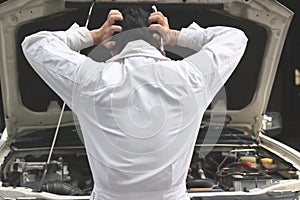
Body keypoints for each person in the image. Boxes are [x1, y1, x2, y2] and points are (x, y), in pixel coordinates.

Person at [22, 6, 247, 200]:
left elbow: (36, 44)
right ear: (158, 39)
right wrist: (176, 35)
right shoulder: (191, 78)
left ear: (110, 44)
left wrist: (93, 35)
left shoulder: (91, 80)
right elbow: (235, 38)